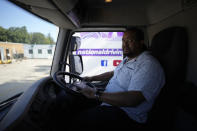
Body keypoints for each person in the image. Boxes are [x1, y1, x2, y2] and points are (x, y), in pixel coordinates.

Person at [54, 28, 165, 130]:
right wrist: (91, 78)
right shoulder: (128, 59)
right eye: (123, 40)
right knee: (70, 103)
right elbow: (114, 73)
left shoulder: (148, 64)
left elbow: (133, 100)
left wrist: (96, 94)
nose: (124, 45)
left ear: (141, 42)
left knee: (77, 122)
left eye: (130, 41)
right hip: (109, 101)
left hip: (126, 115)